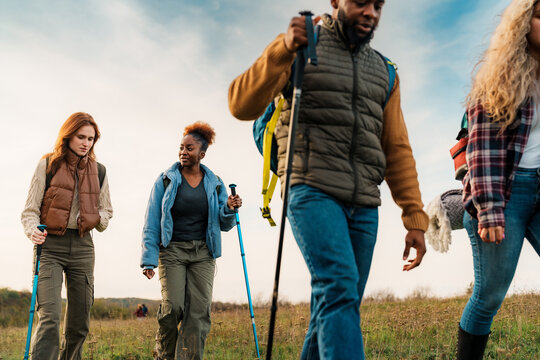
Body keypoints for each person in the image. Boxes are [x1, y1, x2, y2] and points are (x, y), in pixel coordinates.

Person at [228, 1, 429, 359]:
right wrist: (283, 48)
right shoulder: (300, 45)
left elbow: (397, 147)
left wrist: (414, 217)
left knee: (335, 302)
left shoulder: (386, 72)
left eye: (378, 5)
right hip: (310, 187)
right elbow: (240, 104)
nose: (371, 12)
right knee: (338, 288)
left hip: (364, 203)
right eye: (361, 2)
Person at [458, 1, 540, 358]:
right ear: (523, 23)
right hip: (508, 191)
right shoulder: (500, 75)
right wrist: (489, 209)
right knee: (490, 294)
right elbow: (483, 147)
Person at [140, 121, 240, 360]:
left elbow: (224, 224)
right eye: (181, 147)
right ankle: (164, 355)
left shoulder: (215, 183)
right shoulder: (166, 179)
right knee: (173, 307)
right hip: (172, 251)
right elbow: (152, 220)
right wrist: (148, 259)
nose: (183, 152)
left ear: (202, 154)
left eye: (189, 148)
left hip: (203, 253)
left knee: (198, 313)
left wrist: (228, 208)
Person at [21, 112, 113, 360]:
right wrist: (33, 231)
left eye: (91, 138)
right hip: (49, 246)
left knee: (79, 322)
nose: (86, 143)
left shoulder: (100, 171)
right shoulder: (47, 164)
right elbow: (29, 211)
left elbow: (106, 211)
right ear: (68, 136)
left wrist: (97, 219)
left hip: (83, 247)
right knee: (49, 317)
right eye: (81, 136)